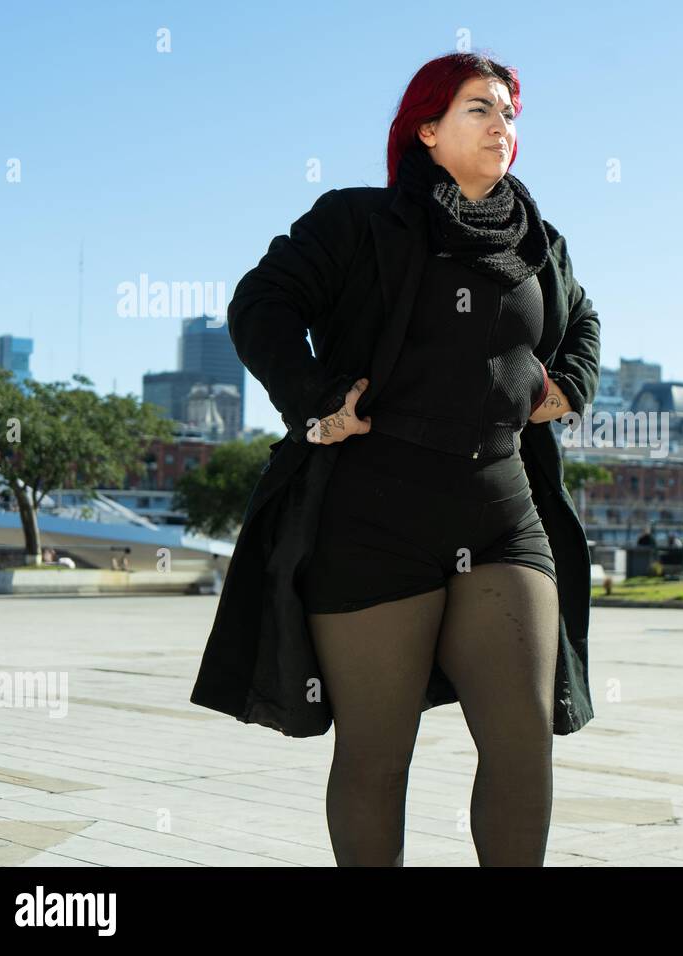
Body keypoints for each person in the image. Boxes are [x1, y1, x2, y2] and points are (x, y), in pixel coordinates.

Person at [227, 53, 598, 867]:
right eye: (478, 109)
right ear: (426, 129)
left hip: (503, 507)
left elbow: (582, 318)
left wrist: (572, 381)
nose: (501, 124)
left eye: (507, 112)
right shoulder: (357, 221)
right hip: (374, 514)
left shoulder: (538, 240)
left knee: (523, 746)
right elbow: (260, 304)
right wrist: (319, 401)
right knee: (375, 755)